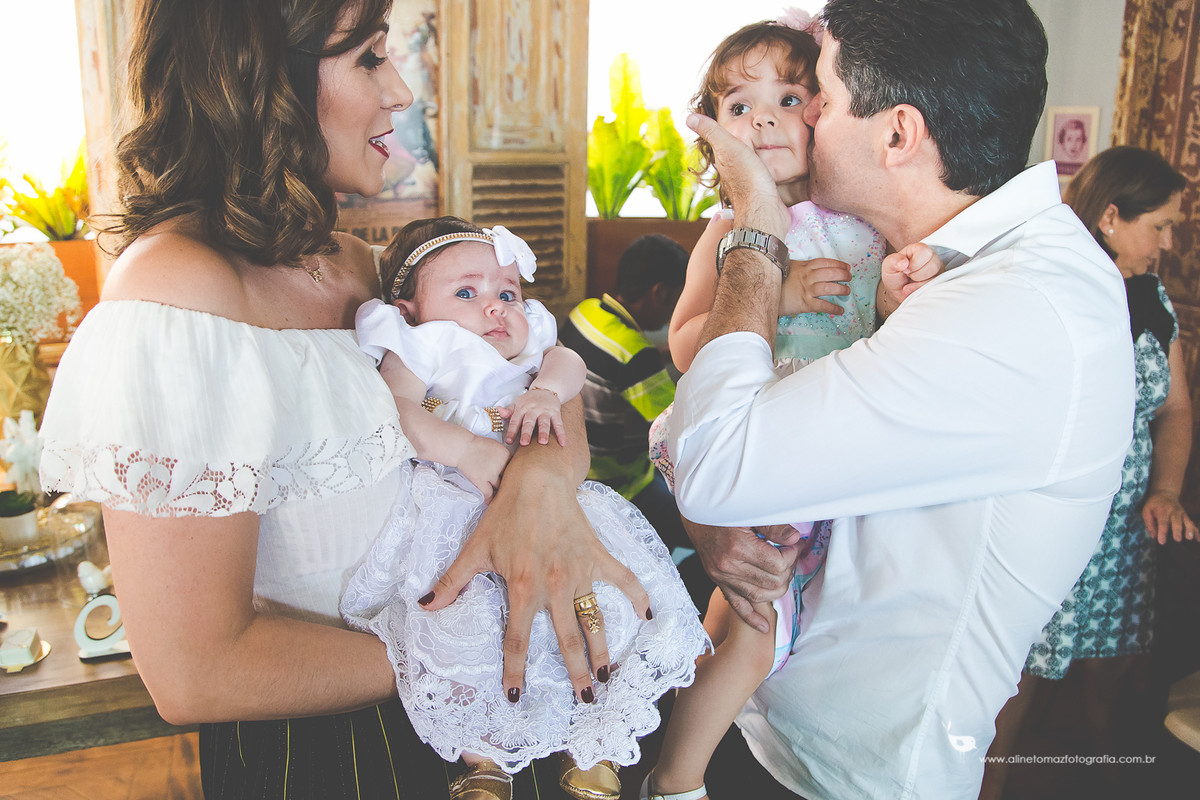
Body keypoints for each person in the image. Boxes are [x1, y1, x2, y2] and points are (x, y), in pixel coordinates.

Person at [36, 1, 645, 796]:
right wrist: (464, 660)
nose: (399, 91)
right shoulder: (178, 294)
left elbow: (527, 392)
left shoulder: (366, 268)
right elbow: (196, 670)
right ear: (262, 79)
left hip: (503, 727)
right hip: (340, 758)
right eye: (367, 59)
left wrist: (538, 485)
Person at [664, 0, 1135, 797]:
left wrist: (758, 227)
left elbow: (718, 463)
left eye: (825, 95)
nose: (805, 114)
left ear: (897, 134)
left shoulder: (1015, 309)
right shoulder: (941, 262)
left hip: (844, 778)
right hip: (771, 718)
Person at [640, 15, 935, 799]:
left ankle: (671, 720)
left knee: (739, 614)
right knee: (755, 630)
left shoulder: (869, 229)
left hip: (824, 446)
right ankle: (676, 778)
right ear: (715, 133)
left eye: (788, 96)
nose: (763, 118)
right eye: (739, 106)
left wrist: (900, 297)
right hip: (754, 440)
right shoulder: (730, 227)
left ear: (826, 113)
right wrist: (776, 288)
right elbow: (681, 344)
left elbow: (881, 342)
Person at [341, 216, 707, 800]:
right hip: (454, 503)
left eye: (506, 293)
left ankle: (594, 739)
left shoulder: (531, 343)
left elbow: (569, 366)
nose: (494, 308)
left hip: (556, 503)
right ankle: (479, 755)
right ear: (407, 306)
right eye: (466, 292)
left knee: (602, 603)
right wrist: (466, 451)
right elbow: (400, 414)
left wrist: (542, 392)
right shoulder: (416, 343)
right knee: (464, 620)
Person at [982, 145, 1196, 799]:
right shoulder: (1043, 289)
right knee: (1021, 674)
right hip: (1050, 518)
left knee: (1113, 670)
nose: (1165, 243)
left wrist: (1165, 490)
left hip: (1125, 528)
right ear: (1109, 216)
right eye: (1159, 225)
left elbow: (1177, 410)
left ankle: (1110, 778)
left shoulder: (1151, 297)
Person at [559, 234, 691, 561]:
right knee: (697, 524)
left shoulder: (585, 311)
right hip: (619, 483)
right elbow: (675, 424)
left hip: (572, 459)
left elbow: (615, 363)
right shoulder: (637, 356)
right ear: (660, 292)